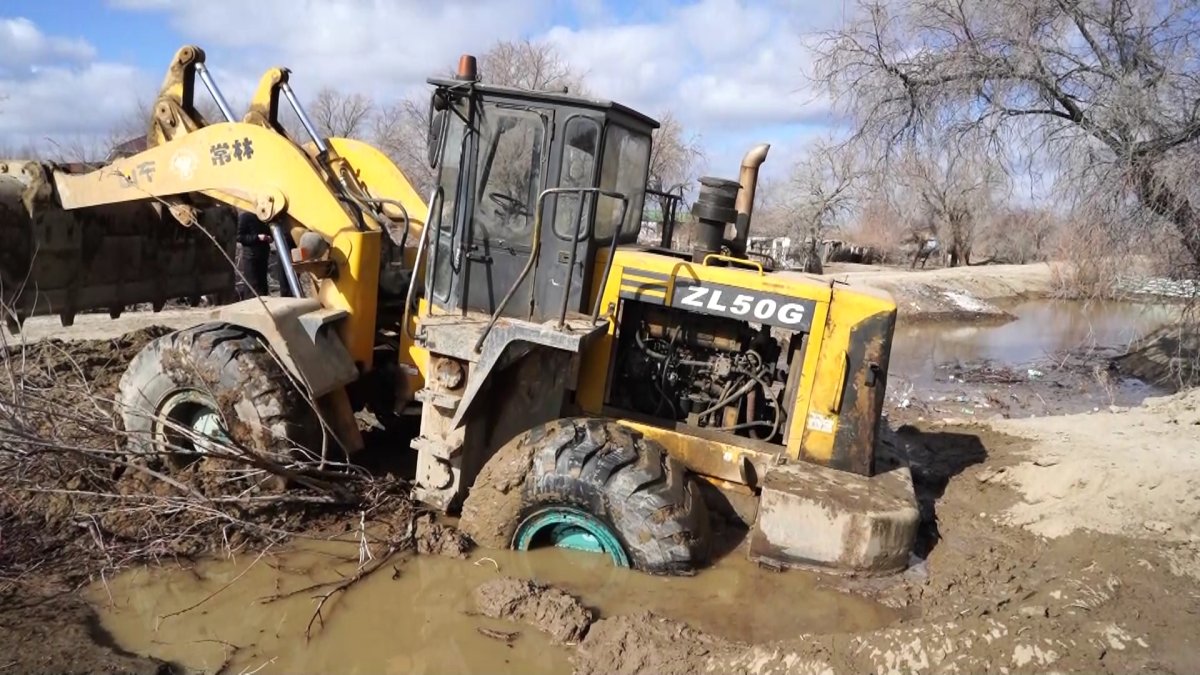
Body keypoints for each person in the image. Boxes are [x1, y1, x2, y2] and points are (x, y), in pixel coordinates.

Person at [236, 211, 295, 298]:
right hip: (251, 257)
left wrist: (269, 237)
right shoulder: (245, 217)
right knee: (253, 286)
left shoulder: (264, 217)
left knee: (263, 286)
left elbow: (269, 232)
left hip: (263, 256)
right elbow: (239, 237)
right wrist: (257, 237)